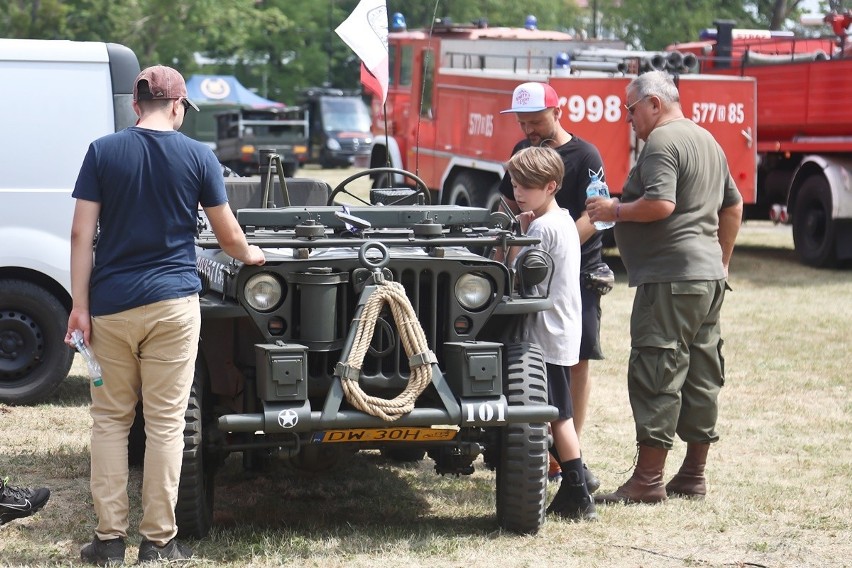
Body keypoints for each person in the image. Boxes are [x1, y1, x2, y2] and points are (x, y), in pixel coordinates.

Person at [67, 65, 266, 565]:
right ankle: (158, 543)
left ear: (136, 105)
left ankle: (109, 541)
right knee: (166, 425)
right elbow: (227, 237)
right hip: (174, 305)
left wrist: (79, 306)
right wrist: (254, 257)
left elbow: (79, 236)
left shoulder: (102, 151)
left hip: (111, 306)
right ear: (177, 107)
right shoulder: (199, 156)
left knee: (110, 422)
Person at [587, 70, 742, 504]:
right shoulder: (706, 139)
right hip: (705, 278)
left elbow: (661, 204)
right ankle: (693, 474)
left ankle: (648, 481)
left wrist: (613, 209)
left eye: (630, 108)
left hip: (671, 279)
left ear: (654, 103)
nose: (627, 118)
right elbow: (734, 205)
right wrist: (721, 261)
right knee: (701, 373)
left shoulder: (662, 142)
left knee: (657, 369)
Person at [498, 81, 607, 491]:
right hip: (539, 254)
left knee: (573, 361)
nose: (528, 129)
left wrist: (552, 252)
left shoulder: (586, 155)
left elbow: (596, 213)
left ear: (557, 113)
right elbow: (507, 204)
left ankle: (568, 455)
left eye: (535, 121)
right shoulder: (522, 156)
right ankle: (548, 452)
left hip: (573, 268)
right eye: (522, 123)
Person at [502, 146, 597, 521]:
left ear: (551, 185)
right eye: (514, 183)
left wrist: (515, 241)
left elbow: (517, 276)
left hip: (545, 334)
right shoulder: (563, 220)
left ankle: (579, 490)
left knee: (557, 415)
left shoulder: (541, 228)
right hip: (561, 328)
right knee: (558, 412)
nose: (519, 192)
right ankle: (580, 480)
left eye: (527, 185)